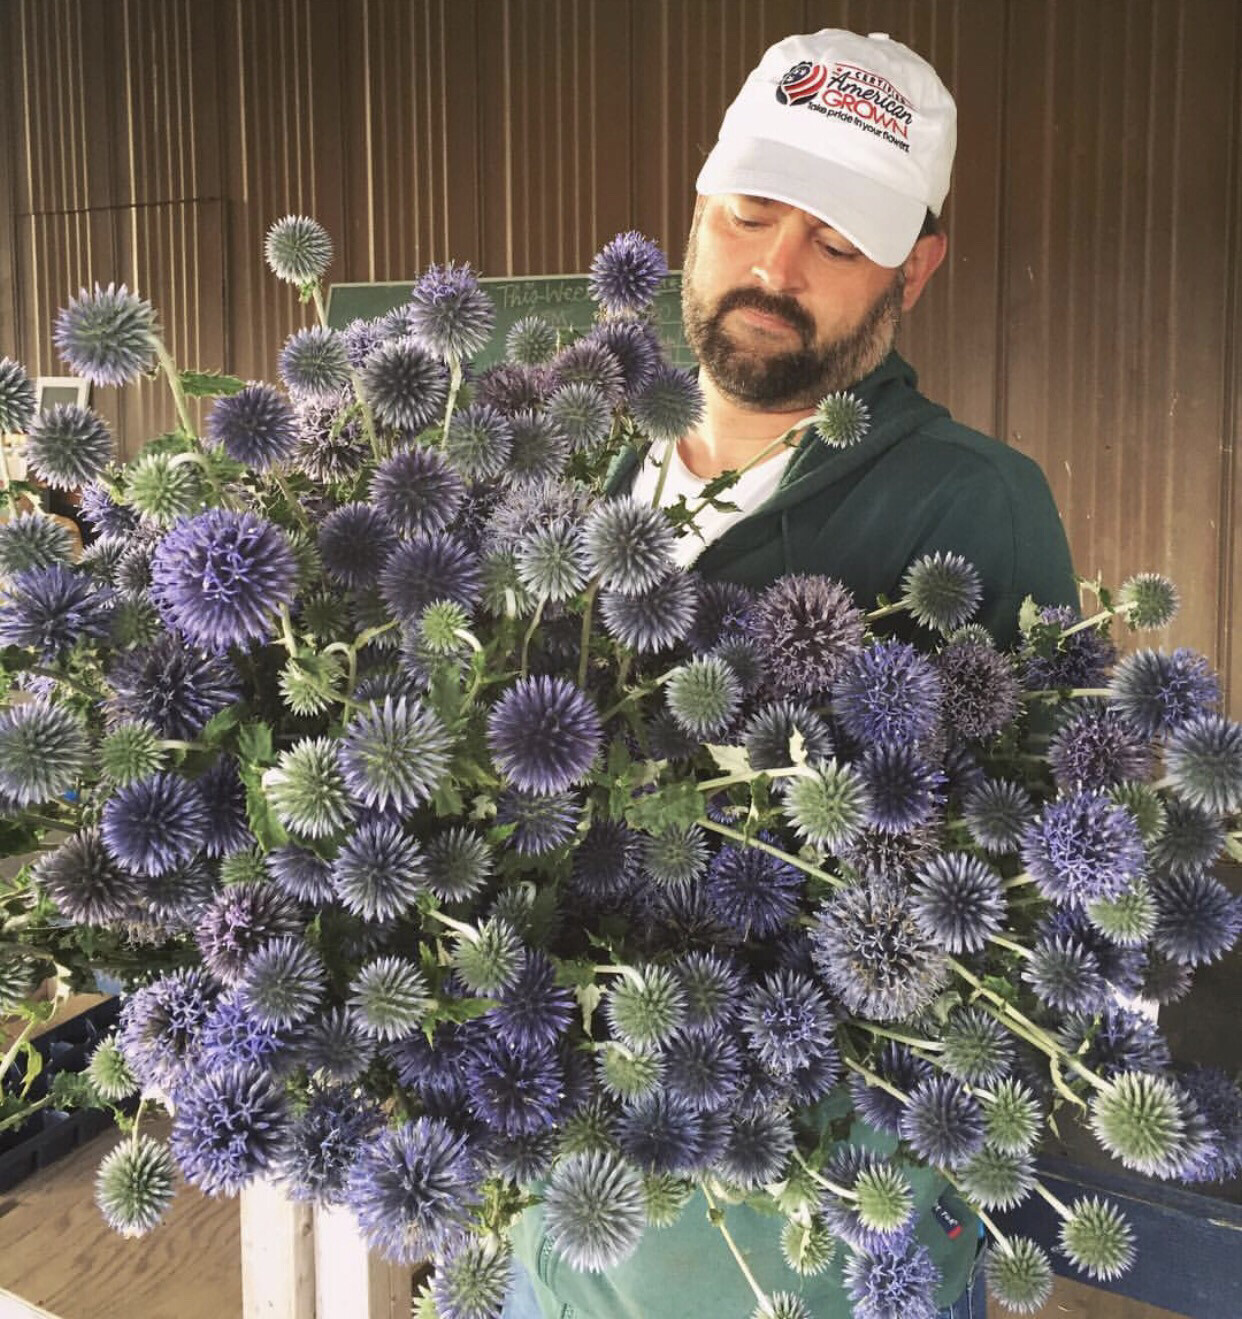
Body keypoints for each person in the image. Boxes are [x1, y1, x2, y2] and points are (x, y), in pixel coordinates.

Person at [507, 28, 1078, 1318]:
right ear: (697, 209)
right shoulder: (561, 459)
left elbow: (1028, 898)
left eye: (836, 241)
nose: (774, 268)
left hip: (794, 1224)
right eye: (751, 214)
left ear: (915, 268)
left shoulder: (977, 506)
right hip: (543, 1172)